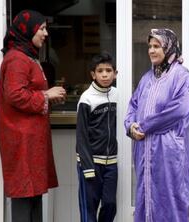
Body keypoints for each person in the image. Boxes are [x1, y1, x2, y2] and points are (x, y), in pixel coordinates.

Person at [0, 10, 66, 222]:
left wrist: (48, 98)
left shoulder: (28, 56)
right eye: (41, 28)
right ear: (27, 30)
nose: (45, 33)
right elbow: (15, 95)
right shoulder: (17, 59)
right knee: (24, 195)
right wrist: (46, 94)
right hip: (21, 139)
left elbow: (26, 93)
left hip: (30, 138)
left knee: (34, 194)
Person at [124, 28, 189, 222]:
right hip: (144, 150)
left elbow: (179, 110)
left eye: (157, 46)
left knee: (171, 199)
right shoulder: (147, 78)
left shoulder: (182, 76)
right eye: (150, 46)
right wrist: (130, 126)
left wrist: (144, 126)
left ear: (168, 48)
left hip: (168, 152)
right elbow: (133, 105)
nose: (151, 51)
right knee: (145, 197)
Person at [76, 52, 118, 222]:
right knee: (89, 209)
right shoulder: (86, 99)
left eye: (109, 70)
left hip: (111, 163)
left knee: (109, 204)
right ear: (93, 74)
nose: (105, 74)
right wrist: (87, 167)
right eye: (100, 71)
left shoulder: (117, 95)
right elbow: (81, 136)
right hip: (91, 162)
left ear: (116, 73)